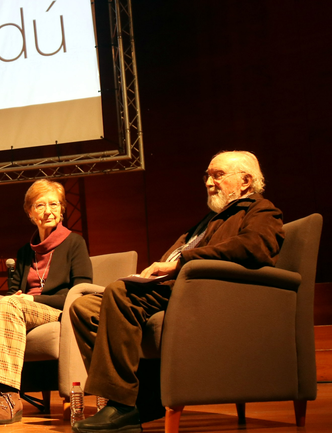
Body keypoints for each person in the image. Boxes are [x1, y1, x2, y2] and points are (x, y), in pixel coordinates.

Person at [69, 151, 284, 433]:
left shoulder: (260, 210)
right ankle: (139, 400)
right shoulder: (209, 219)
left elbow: (256, 246)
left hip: (201, 293)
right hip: (170, 290)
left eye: (217, 175)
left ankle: (121, 405)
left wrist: (183, 261)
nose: (208, 182)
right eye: (207, 175)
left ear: (245, 181)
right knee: (83, 308)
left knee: (119, 292)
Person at [0, 179, 93, 424]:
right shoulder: (26, 251)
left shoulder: (74, 243)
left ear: (62, 209)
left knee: (10, 304)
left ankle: (10, 397)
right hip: (22, 310)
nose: (48, 211)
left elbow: (80, 291)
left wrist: (26, 299)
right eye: (40, 205)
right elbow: (14, 292)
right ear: (30, 212)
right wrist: (18, 297)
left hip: (58, 310)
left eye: (54, 204)